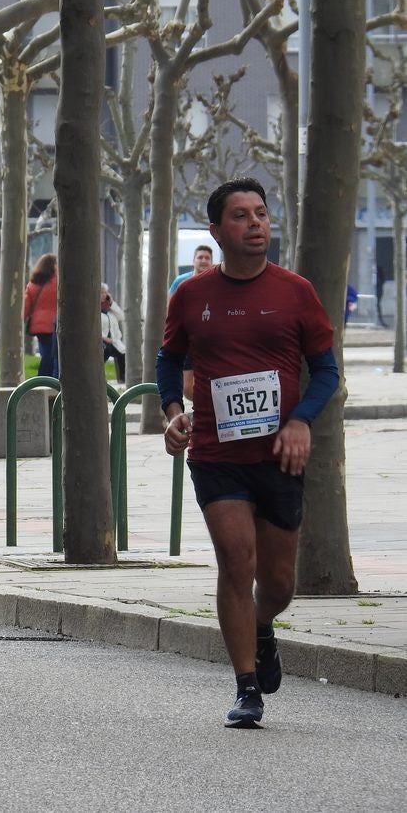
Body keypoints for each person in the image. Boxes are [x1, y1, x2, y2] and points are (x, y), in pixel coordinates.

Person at [156, 177, 338, 729]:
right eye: (241, 215)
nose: (256, 223)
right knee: (237, 561)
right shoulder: (191, 294)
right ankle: (246, 686)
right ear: (216, 230)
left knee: (278, 583)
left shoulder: (295, 291)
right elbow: (169, 360)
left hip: (279, 455)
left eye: (261, 213)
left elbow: (327, 371)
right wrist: (172, 414)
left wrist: (302, 422)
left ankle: (262, 627)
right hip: (216, 451)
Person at [169, 244, 216, 402]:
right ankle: (201, 405)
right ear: (193, 261)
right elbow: (170, 309)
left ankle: (207, 410)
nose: (203, 260)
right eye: (200, 257)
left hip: (212, 340)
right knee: (188, 388)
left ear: (212, 261)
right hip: (188, 339)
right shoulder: (181, 282)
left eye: (207, 258)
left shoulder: (219, 281)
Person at [23, 253, 58, 378]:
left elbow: (26, 306)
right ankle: (46, 380)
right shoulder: (57, 282)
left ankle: (42, 380)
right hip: (53, 323)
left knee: (46, 353)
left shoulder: (33, 283)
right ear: (53, 266)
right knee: (52, 355)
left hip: (38, 325)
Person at [100, 284, 126, 385]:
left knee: (122, 353)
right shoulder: (95, 309)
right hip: (102, 340)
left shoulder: (110, 308)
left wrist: (111, 302)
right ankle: (101, 377)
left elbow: (121, 316)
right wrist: (104, 338)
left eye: (105, 293)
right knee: (105, 351)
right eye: (102, 292)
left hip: (114, 340)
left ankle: (122, 378)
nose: (104, 295)